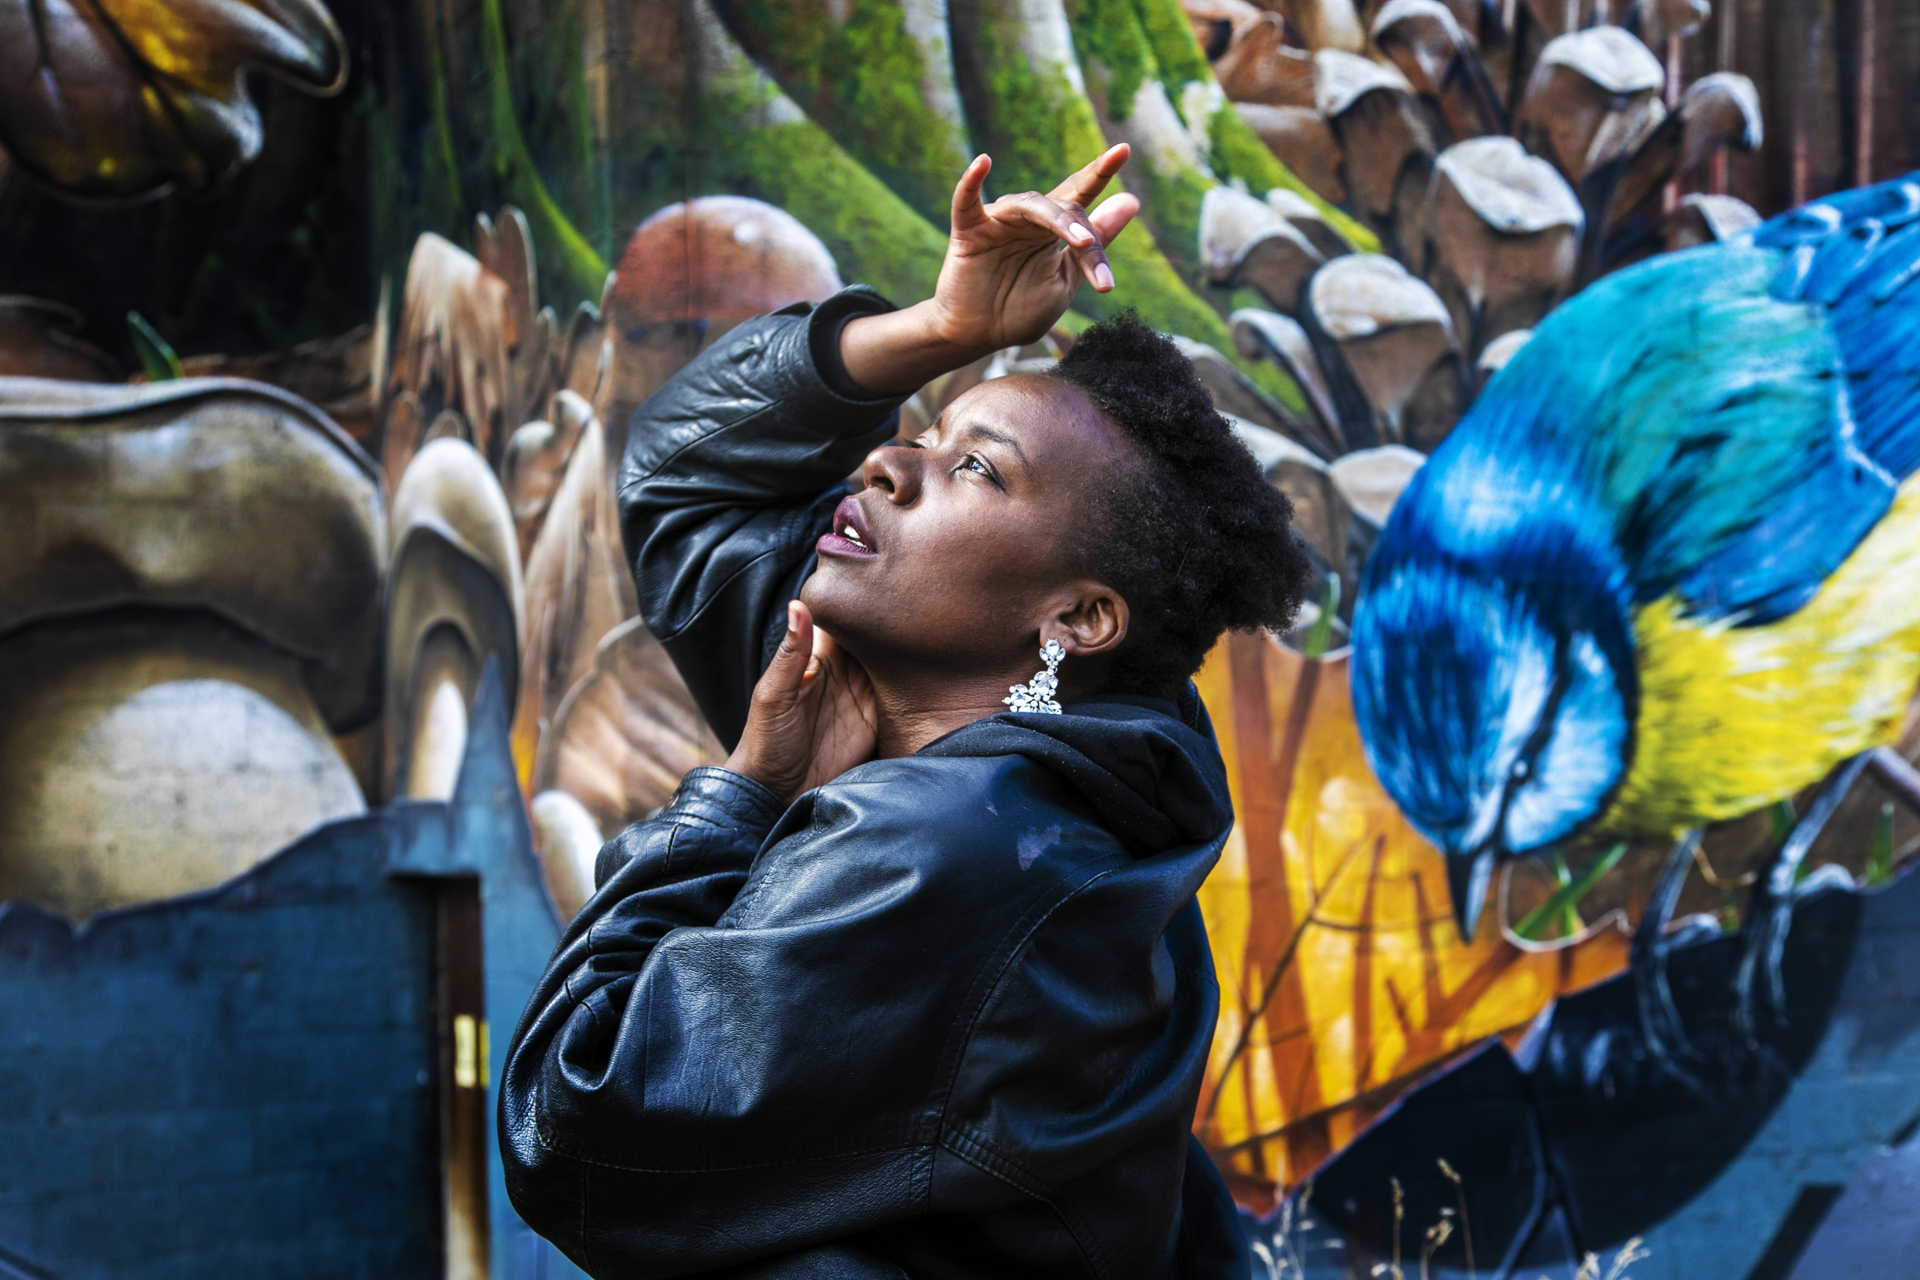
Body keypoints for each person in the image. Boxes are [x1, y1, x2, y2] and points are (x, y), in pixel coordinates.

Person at [499, 144, 1312, 1279]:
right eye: (923, 433)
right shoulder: (931, 710)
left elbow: (572, 1116)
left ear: (1077, 615)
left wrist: (742, 797)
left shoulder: (952, 849)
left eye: (976, 469)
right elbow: (687, 481)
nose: (887, 463)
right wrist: (941, 323)